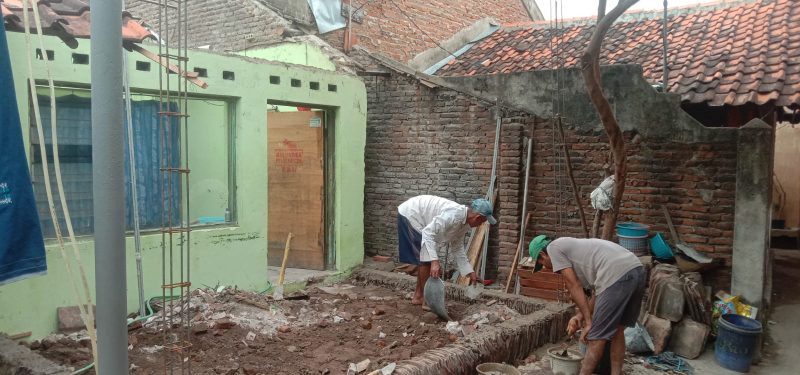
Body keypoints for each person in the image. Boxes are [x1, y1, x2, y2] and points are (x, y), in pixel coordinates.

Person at [528, 235, 645, 375]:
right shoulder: (575, 250)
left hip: (617, 274)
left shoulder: (553, 248)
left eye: (542, 264)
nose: (547, 268)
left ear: (542, 254)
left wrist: (589, 323)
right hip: (636, 270)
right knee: (617, 331)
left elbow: (573, 285)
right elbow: (599, 293)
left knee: (596, 337)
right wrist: (580, 316)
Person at [397, 195, 497, 306]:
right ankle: (428, 301)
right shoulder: (453, 216)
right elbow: (428, 233)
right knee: (426, 259)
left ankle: (418, 296)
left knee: (426, 258)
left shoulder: (465, 223)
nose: (481, 224)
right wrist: (435, 261)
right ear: (477, 217)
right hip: (412, 214)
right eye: (482, 221)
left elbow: (457, 247)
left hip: (422, 219)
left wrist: (470, 271)